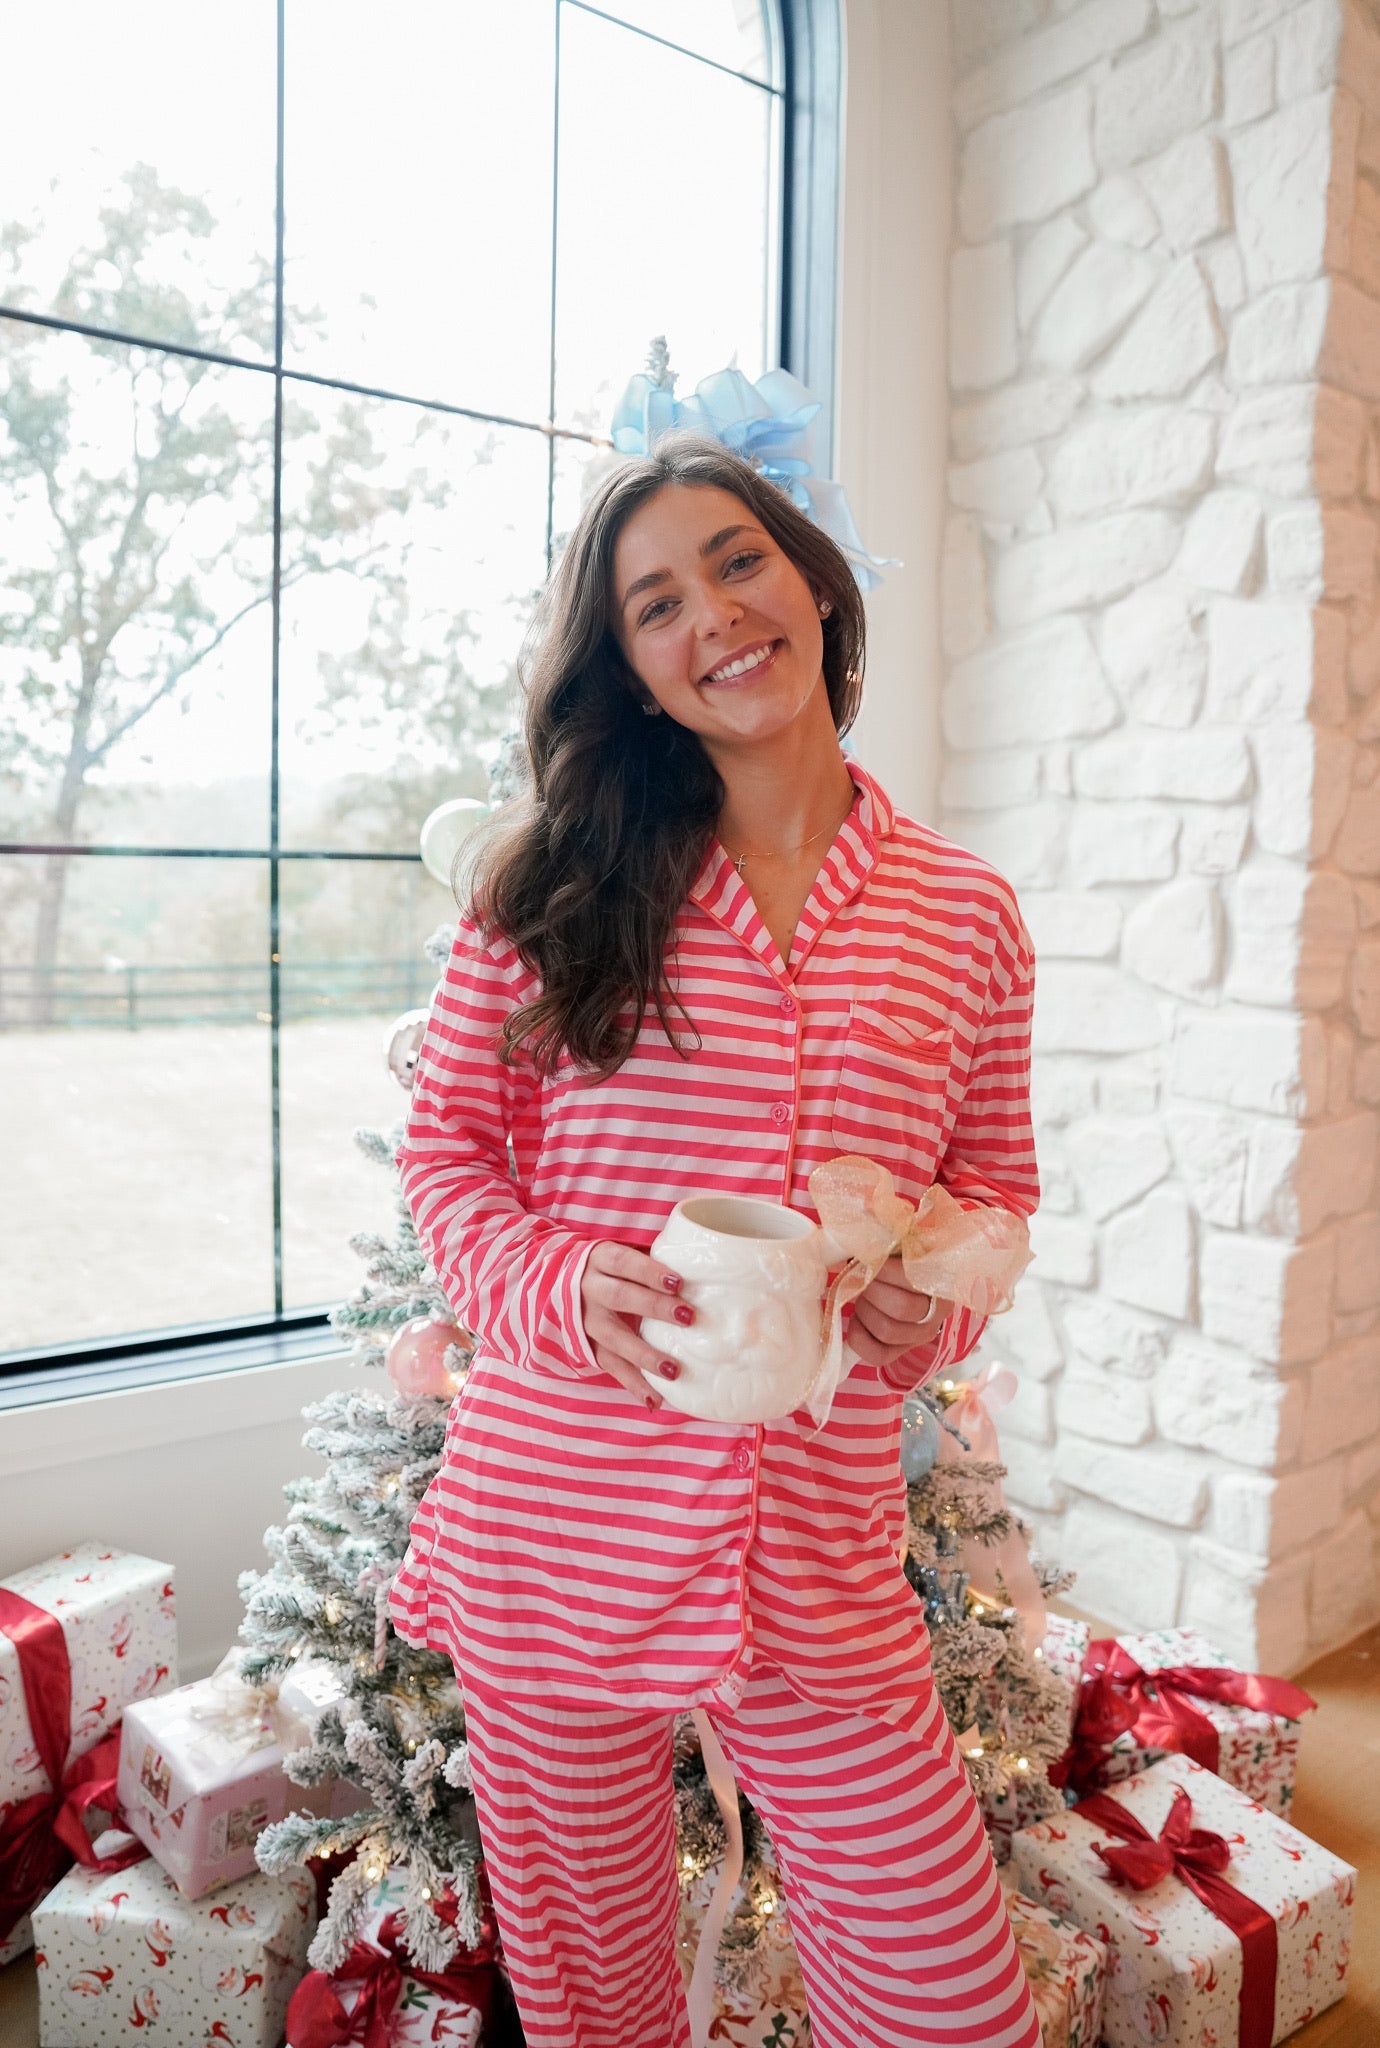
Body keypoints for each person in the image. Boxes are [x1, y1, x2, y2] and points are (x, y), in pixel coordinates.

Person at [390, 433, 1041, 2048]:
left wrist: (928, 1318)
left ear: (811, 583)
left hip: (817, 1554)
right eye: (656, 604)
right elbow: (450, 1161)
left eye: (738, 561)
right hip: (554, 1529)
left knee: (946, 2001)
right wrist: (554, 1286)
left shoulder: (965, 913)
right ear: (635, 672)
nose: (716, 617)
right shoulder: (551, 885)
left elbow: (994, 1197)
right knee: (597, 2003)